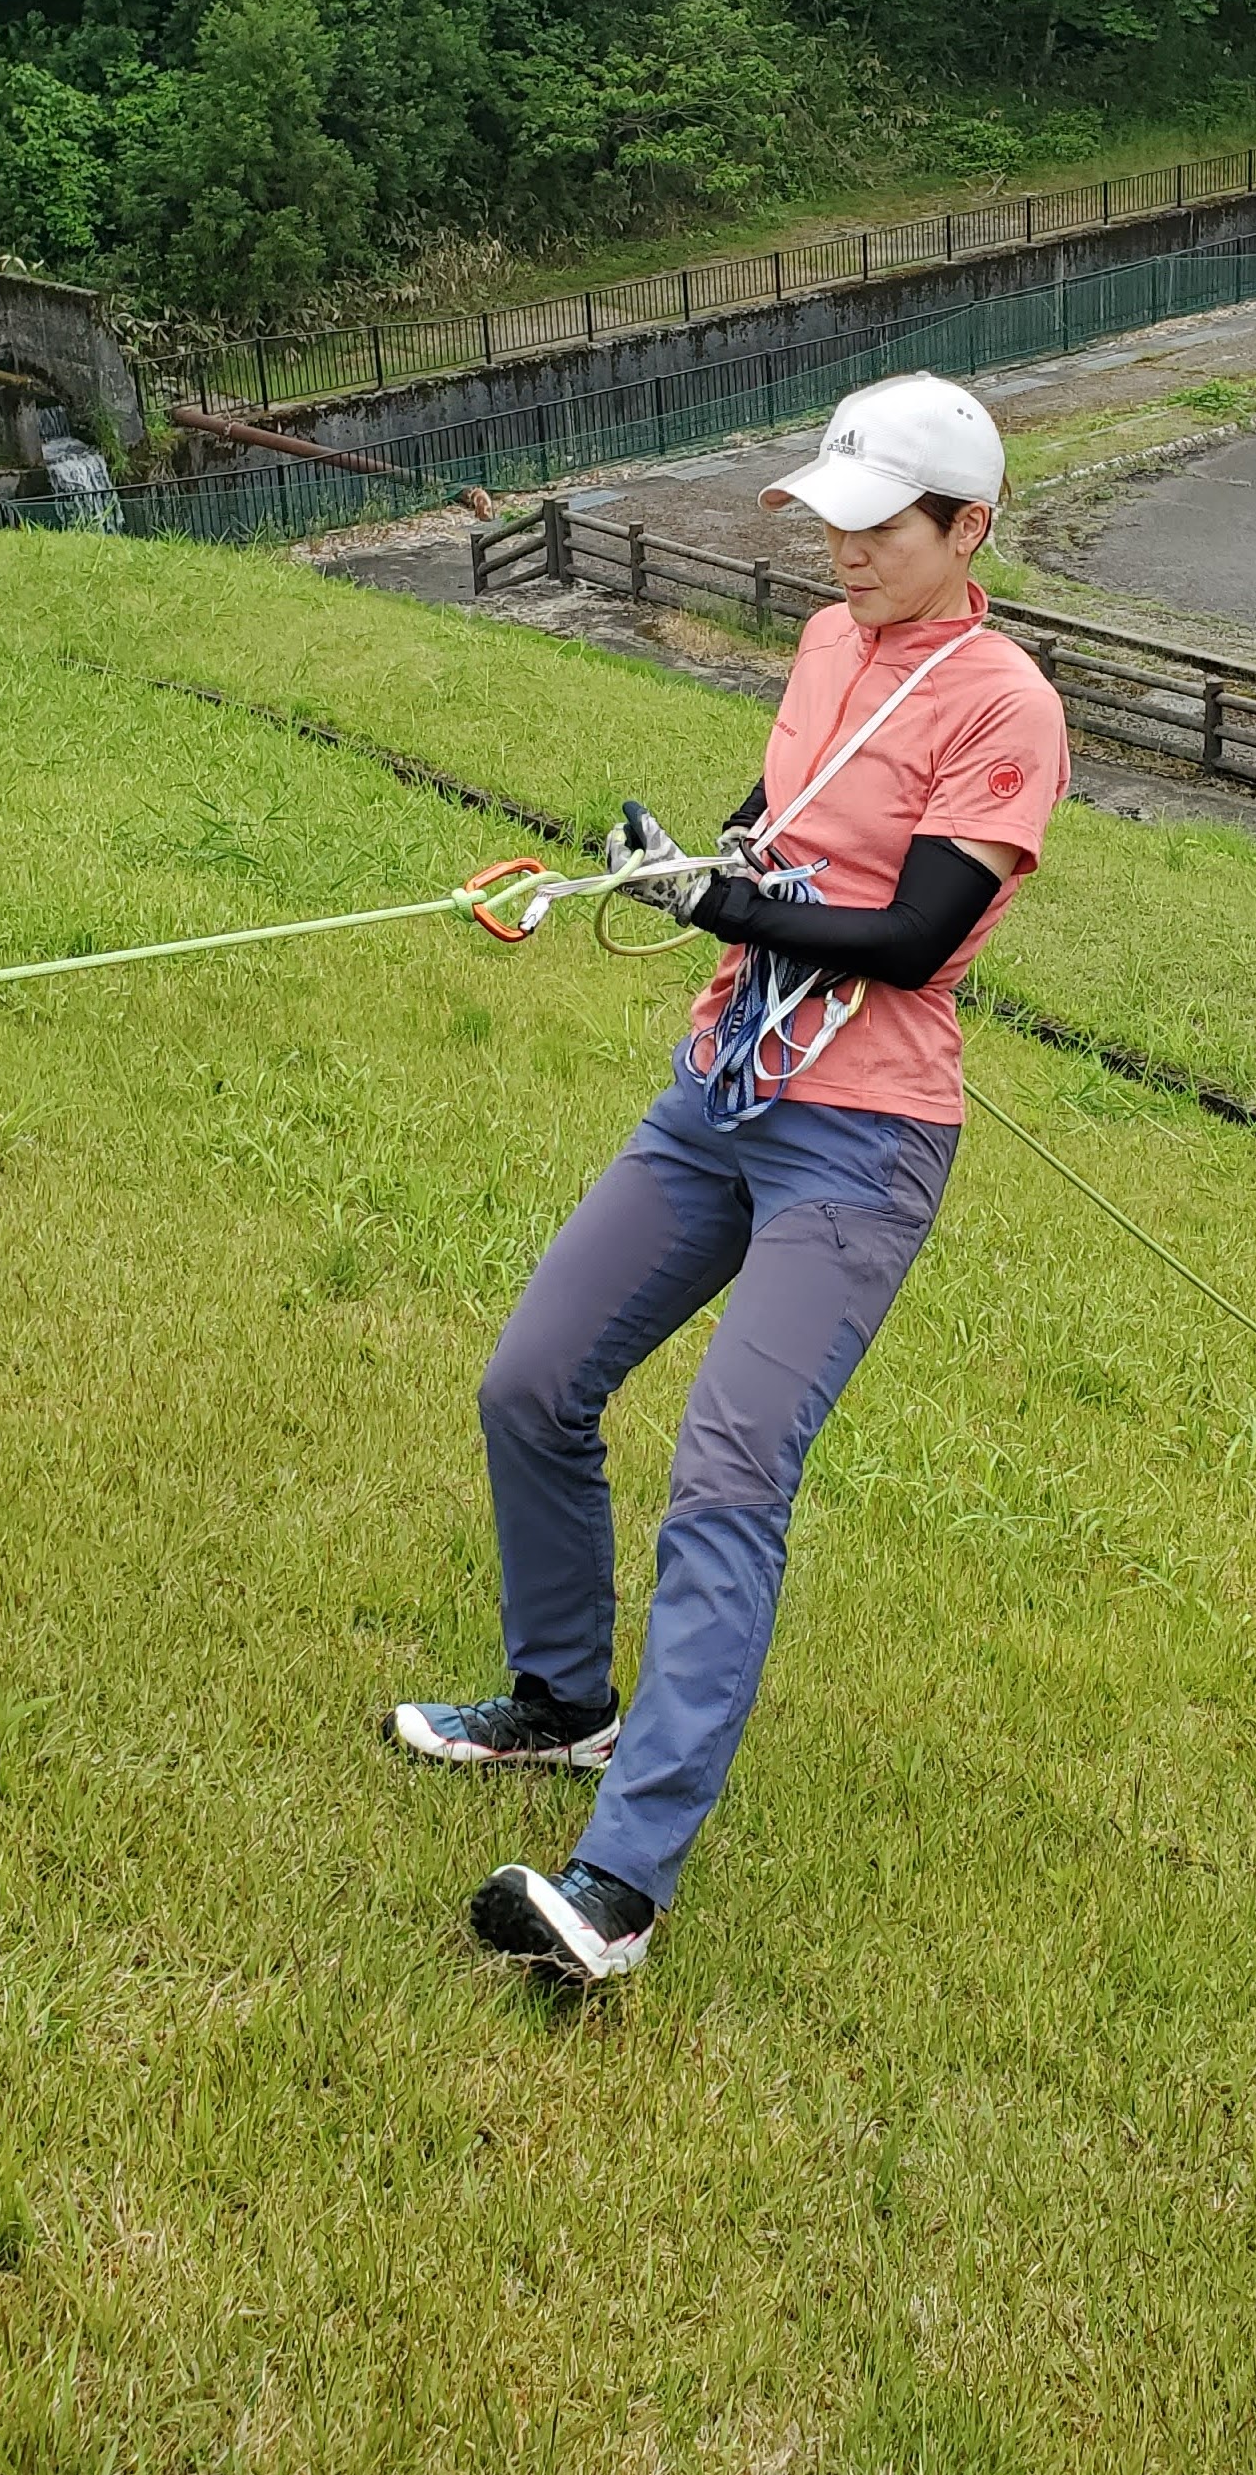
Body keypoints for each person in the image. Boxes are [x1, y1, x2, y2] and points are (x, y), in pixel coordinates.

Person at [389, 371, 1071, 1989]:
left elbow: (914, 935)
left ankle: (618, 1886)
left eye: (877, 527)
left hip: (864, 1137)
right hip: (725, 1089)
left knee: (729, 1472)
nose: (844, 552)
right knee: (532, 1381)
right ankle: (562, 1703)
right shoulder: (832, 640)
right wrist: (698, 859)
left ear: (967, 530)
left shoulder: (1007, 706)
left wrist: (719, 912)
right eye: (830, 521)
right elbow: (784, 815)